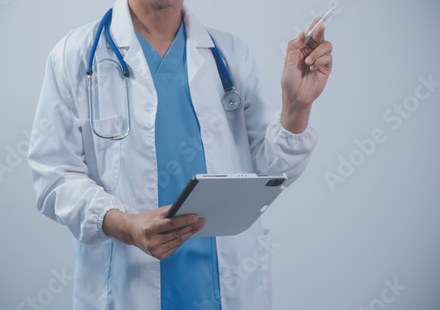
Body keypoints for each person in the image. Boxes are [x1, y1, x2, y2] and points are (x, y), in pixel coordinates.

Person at [27, 0, 332, 309]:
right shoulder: (73, 57)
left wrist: (296, 107)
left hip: (227, 287)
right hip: (127, 284)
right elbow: (54, 176)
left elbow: (274, 172)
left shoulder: (230, 54)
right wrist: (125, 225)